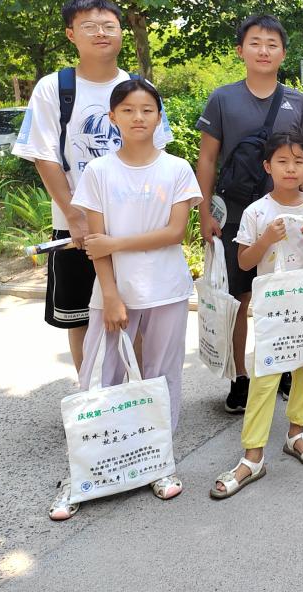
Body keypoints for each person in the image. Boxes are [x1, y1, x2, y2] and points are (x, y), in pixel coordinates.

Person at [51, 78, 201, 519]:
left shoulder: (177, 168)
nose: (139, 118)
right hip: (113, 292)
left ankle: (158, 462)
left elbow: (175, 232)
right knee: (101, 377)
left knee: (163, 375)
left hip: (167, 289)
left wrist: (116, 244)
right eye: (129, 110)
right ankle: (82, 474)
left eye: (148, 110)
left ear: (159, 117)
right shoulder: (99, 172)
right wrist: (111, 293)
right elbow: (95, 242)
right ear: (113, 117)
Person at [12, 0, 173, 373]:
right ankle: (92, 396)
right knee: (80, 316)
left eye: (108, 26)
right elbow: (44, 155)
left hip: (133, 229)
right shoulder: (53, 88)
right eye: (89, 26)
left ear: (121, 32)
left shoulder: (140, 87)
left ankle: (136, 392)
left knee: (138, 313)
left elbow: (157, 158)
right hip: (76, 228)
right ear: (71, 34)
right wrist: (75, 215)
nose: (100, 33)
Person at [195, 15, 303, 413]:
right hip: (236, 217)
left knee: (284, 297)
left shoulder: (297, 101)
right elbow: (207, 159)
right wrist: (204, 212)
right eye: (255, 43)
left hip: (288, 220)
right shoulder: (222, 99)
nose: (264, 50)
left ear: (283, 53)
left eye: (272, 44)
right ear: (241, 50)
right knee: (239, 300)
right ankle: (240, 377)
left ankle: (282, 366)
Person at [210, 134, 303, 499]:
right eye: (282, 161)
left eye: (298, 161)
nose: (291, 168)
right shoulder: (256, 212)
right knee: (265, 376)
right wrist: (266, 239)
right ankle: (252, 456)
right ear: (268, 166)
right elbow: (244, 262)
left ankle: (296, 434)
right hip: (275, 310)